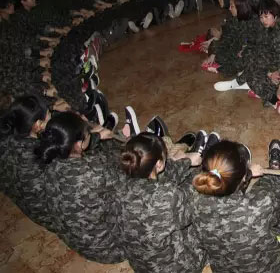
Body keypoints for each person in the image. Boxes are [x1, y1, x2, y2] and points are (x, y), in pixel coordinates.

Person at [191, 139, 280, 273]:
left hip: (224, 268)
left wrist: (249, 173)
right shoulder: (260, 205)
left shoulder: (193, 203)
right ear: (243, 178)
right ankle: (274, 170)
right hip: (269, 265)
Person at [35, 111, 123, 264]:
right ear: (78, 143)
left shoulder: (49, 164)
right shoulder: (91, 172)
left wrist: (97, 137)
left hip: (79, 243)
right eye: (88, 134)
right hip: (111, 248)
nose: (90, 135)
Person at [117, 132, 204, 273]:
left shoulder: (119, 187)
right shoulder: (166, 195)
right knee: (204, 201)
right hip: (178, 267)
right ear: (159, 164)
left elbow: (164, 179)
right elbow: (193, 208)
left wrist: (186, 162)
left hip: (141, 266)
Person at [0, 95, 52, 228]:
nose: (50, 115)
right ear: (38, 125)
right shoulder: (39, 153)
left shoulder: (7, 140)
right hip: (50, 215)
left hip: (28, 207)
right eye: (48, 114)